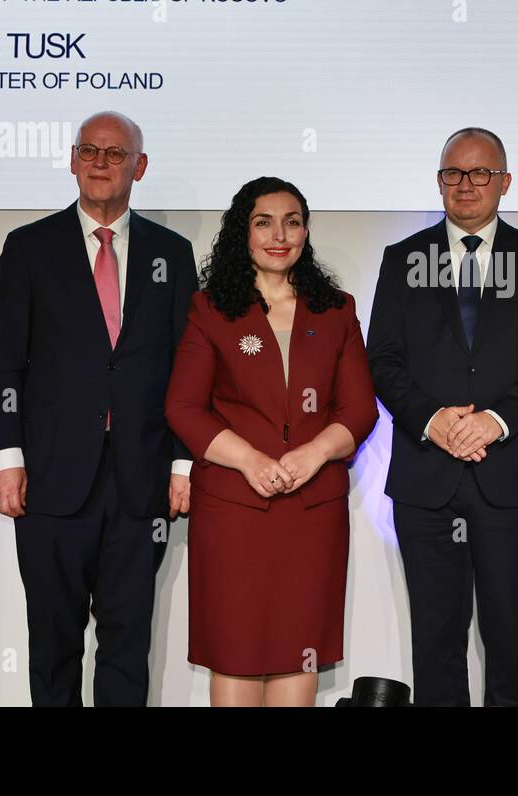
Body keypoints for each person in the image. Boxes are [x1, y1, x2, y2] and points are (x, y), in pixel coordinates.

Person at [0, 110, 198, 706]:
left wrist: (184, 465)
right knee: (53, 647)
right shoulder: (28, 248)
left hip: (140, 481)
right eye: (89, 152)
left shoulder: (172, 254)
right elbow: (5, 366)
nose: (100, 164)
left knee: (127, 647)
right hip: (50, 480)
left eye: (115, 154)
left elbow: (190, 369)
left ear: (140, 166)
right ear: (74, 160)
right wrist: (5, 457)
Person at [366, 128, 518, 706]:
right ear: (439, 182)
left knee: (512, 643)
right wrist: (432, 419)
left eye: (480, 173)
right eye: (453, 173)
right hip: (425, 481)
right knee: (436, 644)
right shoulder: (402, 259)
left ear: (504, 182)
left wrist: (494, 422)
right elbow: (381, 360)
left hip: (509, 481)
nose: (466, 185)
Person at [165, 176, 378, 707]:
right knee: (235, 651)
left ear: (306, 231)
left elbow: (359, 409)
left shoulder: (337, 310)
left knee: (296, 651)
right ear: (244, 232)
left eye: (293, 221)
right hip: (234, 510)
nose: (280, 234)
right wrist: (250, 461)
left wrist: (314, 453)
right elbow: (183, 408)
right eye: (264, 222)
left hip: (312, 510)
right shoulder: (210, 308)